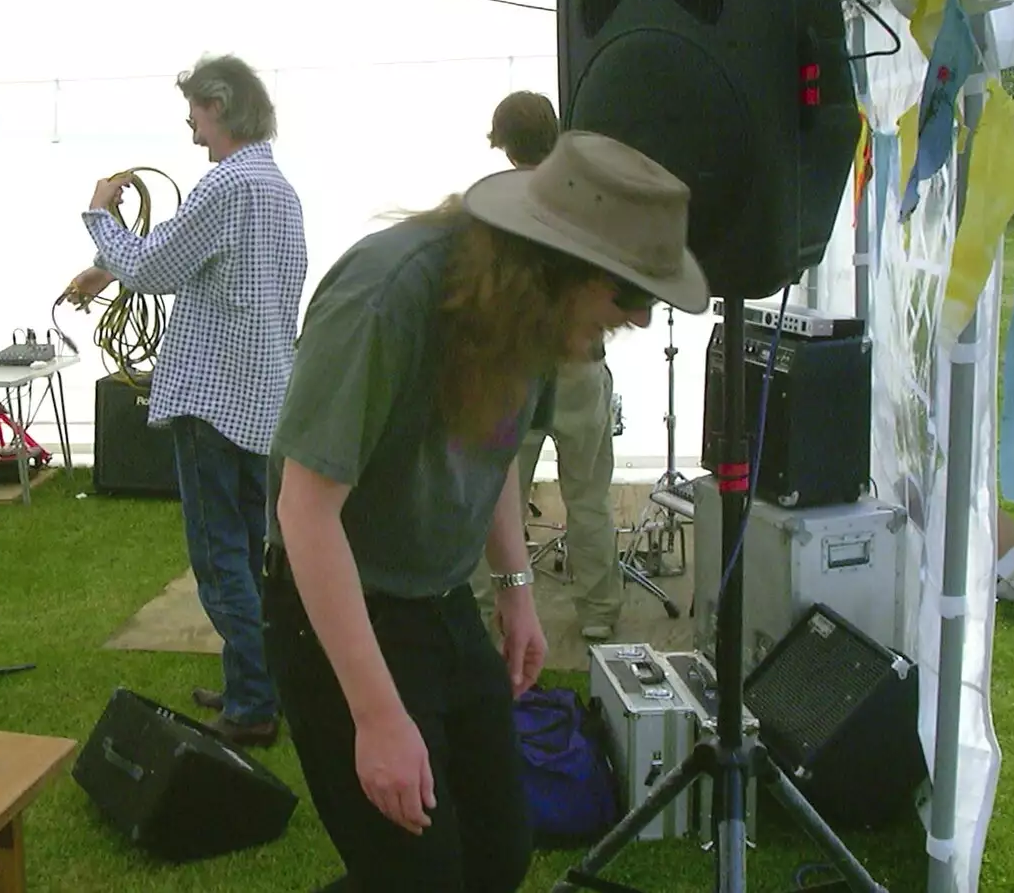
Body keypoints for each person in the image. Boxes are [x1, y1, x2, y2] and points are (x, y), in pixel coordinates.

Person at [263, 130, 708, 891]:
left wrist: (517, 592)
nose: (637, 319)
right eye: (627, 294)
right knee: (418, 872)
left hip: (439, 604)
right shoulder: (387, 298)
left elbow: (495, 452)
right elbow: (305, 513)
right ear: (558, 262)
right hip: (339, 608)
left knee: (498, 853)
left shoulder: (533, 317)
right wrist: (375, 716)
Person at [63, 54, 307, 748]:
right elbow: (193, 261)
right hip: (262, 397)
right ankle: (253, 682)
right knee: (249, 551)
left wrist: (100, 215)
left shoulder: (226, 185)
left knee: (219, 553)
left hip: (213, 401)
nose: (192, 129)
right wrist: (107, 266)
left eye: (196, 113)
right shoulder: (279, 190)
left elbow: (150, 263)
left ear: (221, 106)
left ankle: (254, 704)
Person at [476, 90, 626, 643]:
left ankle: (489, 606)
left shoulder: (497, 202)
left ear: (506, 143)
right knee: (588, 497)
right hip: (580, 365)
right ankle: (599, 612)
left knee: (497, 493)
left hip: (519, 367)